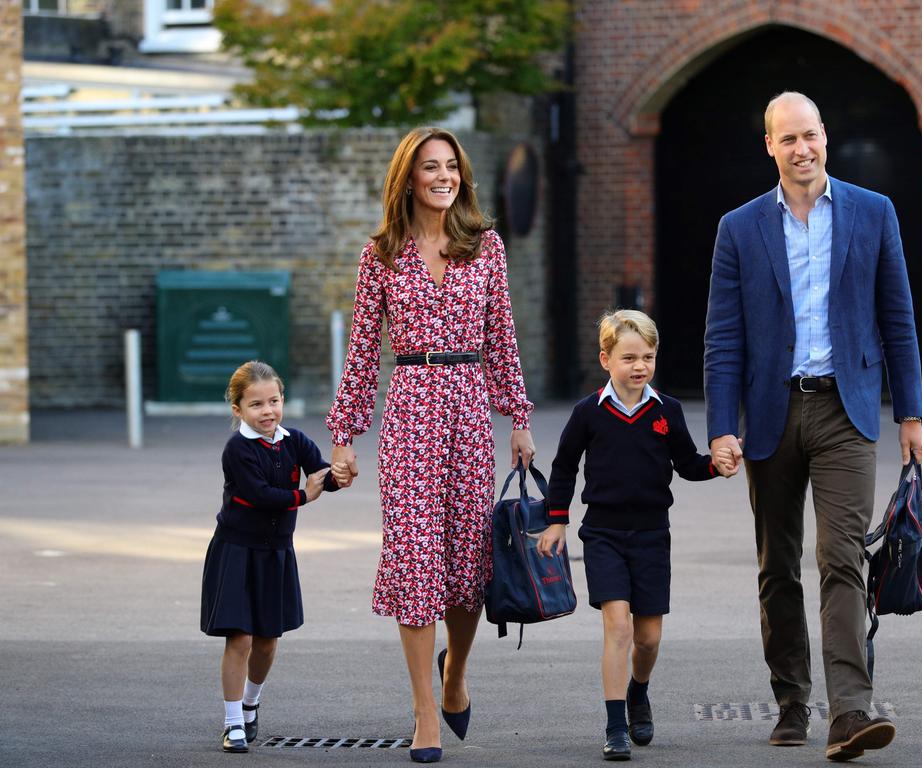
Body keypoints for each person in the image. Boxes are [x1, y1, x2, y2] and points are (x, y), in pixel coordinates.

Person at [703, 91, 922, 762]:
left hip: (846, 409)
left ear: (825, 137)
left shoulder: (873, 211)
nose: (801, 149)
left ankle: (851, 713)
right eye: (787, 139)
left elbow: (899, 317)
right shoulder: (739, 228)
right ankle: (792, 701)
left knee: (842, 560)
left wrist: (910, 413)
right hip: (770, 413)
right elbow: (723, 338)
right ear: (769, 147)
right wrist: (721, 426)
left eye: (810, 136)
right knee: (778, 568)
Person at [325, 127, 535, 764]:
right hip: (411, 407)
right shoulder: (381, 254)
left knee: (468, 568)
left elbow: (502, 337)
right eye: (429, 167)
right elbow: (362, 352)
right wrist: (344, 437)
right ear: (407, 179)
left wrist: (518, 417)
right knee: (415, 561)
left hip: (469, 406)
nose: (442, 176)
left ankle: (455, 675)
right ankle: (423, 713)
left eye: (451, 166)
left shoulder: (486, 247)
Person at [538, 309, 726, 761]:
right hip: (601, 533)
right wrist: (557, 518)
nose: (639, 366)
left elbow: (686, 463)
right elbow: (563, 467)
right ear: (605, 359)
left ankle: (638, 690)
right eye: (628, 358)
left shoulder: (667, 412)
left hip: (650, 535)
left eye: (647, 356)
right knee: (617, 625)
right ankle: (615, 724)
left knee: (648, 638)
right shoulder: (588, 413)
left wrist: (714, 466)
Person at [200, 360, 341, 753]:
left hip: (276, 553)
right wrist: (304, 495)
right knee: (240, 637)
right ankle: (232, 724)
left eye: (274, 401)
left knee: (266, 640)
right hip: (236, 551)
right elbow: (259, 495)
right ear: (238, 410)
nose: (267, 411)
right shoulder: (237, 450)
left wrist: (337, 477)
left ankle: (250, 703)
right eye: (257, 404)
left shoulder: (294, 440)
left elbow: (320, 472)